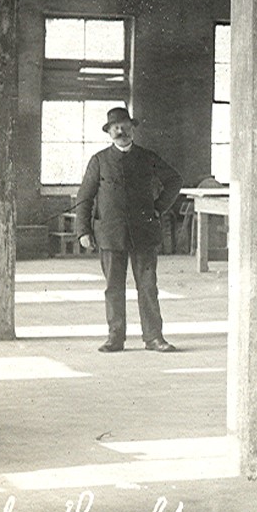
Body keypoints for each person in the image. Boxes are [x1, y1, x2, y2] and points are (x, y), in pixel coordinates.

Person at [75, 106, 185, 353]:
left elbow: (174, 180)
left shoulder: (147, 157)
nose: (120, 131)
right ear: (109, 132)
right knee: (113, 288)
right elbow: (84, 197)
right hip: (110, 234)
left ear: (132, 128)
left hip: (143, 233)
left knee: (147, 286)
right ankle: (115, 338)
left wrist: (159, 207)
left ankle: (154, 338)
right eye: (115, 127)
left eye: (124, 125)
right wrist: (83, 231)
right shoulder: (99, 161)